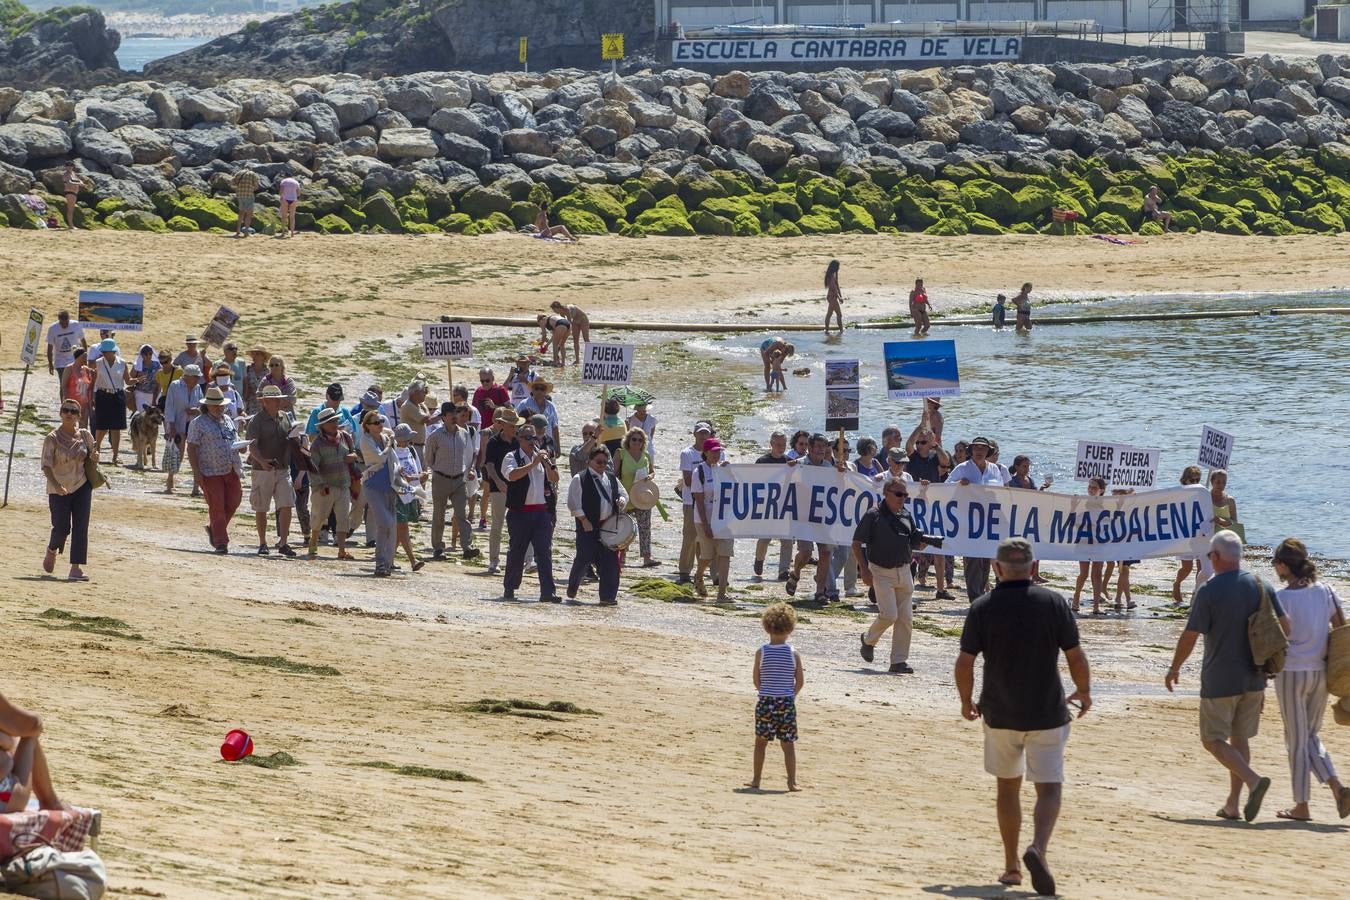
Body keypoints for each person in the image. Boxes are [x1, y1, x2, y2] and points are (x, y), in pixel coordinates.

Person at [956, 538, 1091, 896]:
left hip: (999, 711)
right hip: (1046, 710)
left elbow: (965, 661)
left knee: (1007, 786)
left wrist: (965, 700)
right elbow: (1075, 655)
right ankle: (1039, 849)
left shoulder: (983, 607)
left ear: (997, 568)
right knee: (1049, 787)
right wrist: (1085, 690)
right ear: (1033, 567)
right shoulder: (1053, 603)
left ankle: (1012, 866)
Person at [1165, 530, 1286, 823]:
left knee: (1213, 740)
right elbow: (1285, 627)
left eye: (1210, 555)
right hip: (1255, 675)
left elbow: (1190, 635)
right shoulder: (1260, 584)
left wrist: (1175, 667)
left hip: (1221, 677)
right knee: (1239, 737)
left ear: (1216, 557)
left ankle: (1254, 780)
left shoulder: (1208, 590)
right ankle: (1232, 804)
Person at [1270, 538, 1350, 821]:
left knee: (1296, 740)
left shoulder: (1282, 598)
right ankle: (1337, 788)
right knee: (1310, 737)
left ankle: (1302, 805)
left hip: (1292, 673)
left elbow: (1276, 638)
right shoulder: (1326, 591)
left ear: (1283, 565)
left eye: (1276, 564)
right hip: (1320, 673)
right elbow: (1342, 629)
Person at [855, 474, 927, 674]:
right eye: (898, 494)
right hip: (880, 571)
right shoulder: (873, 515)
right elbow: (856, 543)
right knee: (889, 615)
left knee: (905, 620)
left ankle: (898, 661)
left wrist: (921, 543)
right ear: (886, 493)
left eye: (905, 494)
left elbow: (912, 542)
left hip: (903, 570)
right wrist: (864, 570)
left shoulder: (906, 514)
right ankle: (868, 640)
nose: (902, 497)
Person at [746, 602, 804, 792]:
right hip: (785, 703)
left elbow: (756, 680)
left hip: (766, 701)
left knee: (760, 743)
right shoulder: (793, 653)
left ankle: (756, 780)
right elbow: (800, 681)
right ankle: (792, 782)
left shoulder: (761, 652)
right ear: (790, 628)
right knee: (788, 744)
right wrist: (790, 695)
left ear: (766, 626)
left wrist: (766, 692)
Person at [502, 422, 561, 602]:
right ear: (519, 439)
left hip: (541, 512)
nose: (531, 441)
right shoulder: (512, 456)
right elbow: (511, 476)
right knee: (517, 551)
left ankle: (548, 592)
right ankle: (510, 588)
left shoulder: (540, 457)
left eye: (534, 437)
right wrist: (533, 464)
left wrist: (548, 462)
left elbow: (555, 478)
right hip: (519, 512)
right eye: (528, 437)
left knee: (544, 552)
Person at [786, 434, 847, 603]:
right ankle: (795, 573)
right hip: (803, 516)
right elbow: (786, 483)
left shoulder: (829, 466)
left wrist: (841, 475)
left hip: (823, 516)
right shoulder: (799, 464)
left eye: (824, 446)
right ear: (811, 448)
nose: (822, 449)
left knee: (826, 552)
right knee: (805, 553)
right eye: (818, 446)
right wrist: (789, 469)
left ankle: (820, 591)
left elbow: (839, 488)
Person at [41, 399, 95, 581]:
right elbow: (46, 466)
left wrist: (95, 457)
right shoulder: (52, 438)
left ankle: (76, 568)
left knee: (81, 527)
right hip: (58, 488)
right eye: (66, 410)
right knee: (62, 527)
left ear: (79, 415)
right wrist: (57, 485)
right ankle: (52, 549)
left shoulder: (86, 435)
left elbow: (92, 459)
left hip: (82, 485)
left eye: (73, 411)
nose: (69, 414)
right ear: (60, 413)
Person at [566, 445, 627, 605]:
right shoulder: (580, 478)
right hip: (588, 525)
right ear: (589, 461)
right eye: (599, 461)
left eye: (605, 462)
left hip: (607, 527)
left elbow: (622, 493)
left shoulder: (611, 478)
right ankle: (573, 587)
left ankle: (608, 597)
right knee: (584, 558)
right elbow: (573, 503)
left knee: (610, 563)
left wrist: (622, 500)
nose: (602, 465)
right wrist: (583, 520)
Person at [187, 387, 244, 553]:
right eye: (215, 405)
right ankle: (221, 541)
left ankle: (214, 528)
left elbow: (235, 439)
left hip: (230, 467)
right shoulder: (198, 423)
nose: (219, 408)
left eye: (221, 405)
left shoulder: (227, 419)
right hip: (209, 471)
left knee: (234, 500)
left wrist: (242, 447)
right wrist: (196, 472)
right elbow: (191, 447)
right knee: (217, 505)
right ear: (207, 406)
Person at [947, 436, 1004, 601]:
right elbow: (945, 487)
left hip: (988, 521)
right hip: (968, 520)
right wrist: (958, 483)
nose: (979, 451)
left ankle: (981, 593)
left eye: (983, 449)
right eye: (976, 448)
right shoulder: (962, 468)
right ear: (971, 450)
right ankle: (975, 597)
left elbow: (1000, 492)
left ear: (988, 451)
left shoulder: (994, 469)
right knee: (972, 558)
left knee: (986, 558)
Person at [246, 385, 297, 557]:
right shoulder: (256, 421)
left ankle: (283, 542)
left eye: (278, 399)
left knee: (286, 504)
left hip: (283, 468)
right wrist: (261, 461)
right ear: (265, 402)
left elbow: (290, 438)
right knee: (261, 507)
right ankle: (262, 542)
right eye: (274, 400)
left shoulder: (285, 417)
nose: (278, 402)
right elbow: (252, 446)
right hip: (262, 470)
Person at [426, 401, 480, 561]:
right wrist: (437, 469)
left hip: (459, 480)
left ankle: (467, 547)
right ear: (443, 417)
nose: (454, 417)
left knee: (461, 515)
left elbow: (469, 454)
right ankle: (438, 547)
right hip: (441, 478)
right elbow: (429, 458)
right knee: (439, 515)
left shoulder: (464, 433)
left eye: (455, 414)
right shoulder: (435, 436)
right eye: (451, 414)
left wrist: (469, 469)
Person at [0, 690, 65, 814]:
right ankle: (50, 802)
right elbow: (32, 725)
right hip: (4, 798)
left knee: (12, 737)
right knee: (28, 736)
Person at [307, 408, 357, 560]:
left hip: (343, 484)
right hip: (325, 487)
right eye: (331, 422)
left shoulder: (346, 437)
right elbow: (313, 467)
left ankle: (342, 550)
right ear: (323, 425)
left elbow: (355, 452)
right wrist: (320, 485)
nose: (335, 423)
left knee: (343, 518)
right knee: (319, 517)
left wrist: (352, 457)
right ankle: (313, 540)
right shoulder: (317, 444)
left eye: (335, 420)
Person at [357, 409, 399, 576]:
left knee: (387, 526)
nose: (380, 424)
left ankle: (384, 563)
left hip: (389, 485)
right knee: (385, 522)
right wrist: (390, 444)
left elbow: (392, 460)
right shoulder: (365, 441)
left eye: (381, 421)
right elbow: (380, 458)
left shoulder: (383, 437)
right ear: (367, 426)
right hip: (373, 485)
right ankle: (381, 562)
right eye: (376, 422)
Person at [692, 437, 734, 602]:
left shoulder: (725, 468)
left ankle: (722, 593)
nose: (717, 454)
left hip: (724, 519)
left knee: (725, 554)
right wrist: (706, 525)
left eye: (719, 452)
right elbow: (699, 501)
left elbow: (738, 488)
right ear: (706, 453)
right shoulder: (699, 472)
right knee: (708, 555)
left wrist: (729, 471)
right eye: (714, 452)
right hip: (705, 519)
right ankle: (699, 575)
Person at [481, 408, 520, 575]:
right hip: (498, 488)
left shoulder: (518, 442)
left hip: (516, 488)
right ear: (503, 425)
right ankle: (494, 561)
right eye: (512, 426)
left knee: (518, 526)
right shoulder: (493, 442)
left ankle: (518, 560)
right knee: (497, 525)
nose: (514, 429)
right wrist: (497, 481)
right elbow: (489, 464)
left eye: (515, 426)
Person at [678, 422, 715, 585]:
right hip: (690, 501)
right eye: (700, 433)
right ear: (694, 434)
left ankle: (707, 572)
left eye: (706, 433)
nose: (703, 436)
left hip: (713, 503)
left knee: (710, 537)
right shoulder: (687, 453)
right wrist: (703, 474)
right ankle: (685, 571)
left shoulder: (717, 453)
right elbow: (687, 480)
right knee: (690, 537)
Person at [753, 431, 793, 582]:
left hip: (785, 505)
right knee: (764, 539)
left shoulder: (789, 462)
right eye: (777, 444)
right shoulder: (762, 461)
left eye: (783, 444)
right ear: (771, 444)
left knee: (787, 540)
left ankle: (784, 570)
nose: (780, 447)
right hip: (767, 506)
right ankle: (759, 559)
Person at [616, 427, 657, 568]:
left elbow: (652, 471)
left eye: (640, 440)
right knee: (624, 528)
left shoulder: (646, 455)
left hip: (642, 496)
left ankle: (647, 557)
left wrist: (649, 477)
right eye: (634, 439)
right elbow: (614, 475)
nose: (637, 442)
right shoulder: (621, 454)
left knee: (645, 527)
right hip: (625, 496)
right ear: (628, 440)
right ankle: (621, 557)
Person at [163, 364, 203, 495]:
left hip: (193, 424)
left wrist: (196, 410)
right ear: (188, 376)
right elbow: (169, 406)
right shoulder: (175, 386)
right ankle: (170, 481)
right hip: (178, 424)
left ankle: (196, 487)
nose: (198, 379)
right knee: (176, 454)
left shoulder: (197, 388)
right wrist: (171, 425)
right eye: (196, 377)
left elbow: (202, 406)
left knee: (196, 456)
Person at [392, 424, 427, 572]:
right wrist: (415, 477)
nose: (409, 441)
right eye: (407, 438)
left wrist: (421, 477)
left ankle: (389, 558)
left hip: (410, 493)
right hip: (398, 493)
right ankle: (413, 560)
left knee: (401, 528)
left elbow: (418, 471)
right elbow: (396, 475)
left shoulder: (411, 450)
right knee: (402, 527)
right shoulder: (392, 453)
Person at [1071, 477, 1109, 615]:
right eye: (1089, 487)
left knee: (1097, 574)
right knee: (1083, 574)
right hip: (1084, 543)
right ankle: (1076, 599)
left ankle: (1096, 606)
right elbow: (1073, 523)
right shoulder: (1084, 504)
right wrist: (1073, 506)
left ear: (1101, 490)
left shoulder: (1105, 506)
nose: (1091, 490)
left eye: (1094, 488)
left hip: (1099, 544)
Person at [90, 337, 129, 465]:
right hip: (103, 394)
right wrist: (92, 397)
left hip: (117, 395)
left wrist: (136, 381)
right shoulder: (98, 362)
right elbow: (93, 382)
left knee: (116, 428)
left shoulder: (122, 363)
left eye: (107, 351)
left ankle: (115, 455)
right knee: (101, 426)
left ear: (113, 351)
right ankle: (97, 450)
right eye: (104, 352)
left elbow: (128, 380)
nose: (105, 354)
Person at [1172, 465, 1205, 603]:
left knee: (1201, 566)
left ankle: (1197, 593)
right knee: (1187, 567)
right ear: (1185, 480)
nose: (1196, 482)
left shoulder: (1202, 492)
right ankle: (1177, 584)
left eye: (1198, 479)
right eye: (1193, 480)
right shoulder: (1179, 494)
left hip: (1200, 533)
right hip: (1185, 534)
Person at [46, 309, 86, 397]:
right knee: (63, 385)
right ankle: (63, 405)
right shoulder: (53, 328)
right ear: (58, 320)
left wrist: (84, 357)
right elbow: (49, 347)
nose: (64, 325)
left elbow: (83, 341)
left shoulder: (76, 325)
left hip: (75, 360)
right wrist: (50, 363)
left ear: (69, 319)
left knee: (75, 384)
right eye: (62, 323)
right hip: (60, 362)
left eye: (66, 323)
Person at [517, 379, 561, 452]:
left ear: (546, 391)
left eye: (542, 389)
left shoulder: (551, 406)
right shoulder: (524, 404)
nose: (539, 391)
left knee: (549, 462)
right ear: (532, 390)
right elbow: (518, 425)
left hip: (547, 443)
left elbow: (555, 428)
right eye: (536, 388)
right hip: (529, 443)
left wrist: (558, 448)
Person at [61, 349, 94, 431]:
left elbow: (90, 387)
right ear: (78, 357)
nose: (86, 359)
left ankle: (82, 443)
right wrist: (66, 401)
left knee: (84, 427)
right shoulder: (69, 368)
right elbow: (63, 385)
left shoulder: (86, 370)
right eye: (84, 356)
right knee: (70, 426)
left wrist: (91, 402)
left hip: (84, 404)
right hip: (72, 404)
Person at [1208, 469, 1241, 542]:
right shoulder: (1205, 498)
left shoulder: (1230, 500)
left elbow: (1235, 523)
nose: (1221, 485)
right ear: (1212, 482)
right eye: (1218, 482)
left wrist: (1221, 521)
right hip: (1208, 540)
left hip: (1226, 540)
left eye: (1224, 482)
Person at [128, 344, 160, 416]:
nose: (149, 356)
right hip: (141, 394)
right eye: (146, 354)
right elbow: (129, 380)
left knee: (153, 417)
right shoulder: (137, 365)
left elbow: (159, 381)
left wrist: (156, 396)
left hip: (154, 394)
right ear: (142, 355)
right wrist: (137, 379)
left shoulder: (157, 365)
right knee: (143, 416)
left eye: (150, 354)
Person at [232, 168, 260, 237]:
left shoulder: (239, 173)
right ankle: (246, 232)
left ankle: (238, 231)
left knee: (241, 212)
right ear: (250, 168)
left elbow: (233, 182)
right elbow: (256, 186)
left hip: (239, 194)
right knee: (249, 213)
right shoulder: (252, 174)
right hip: (249, 194)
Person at [243, 348, 270, 415]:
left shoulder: (268, 372)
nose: (255, 356)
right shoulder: (248, 369)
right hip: (249, 403)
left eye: (258, 354)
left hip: (263, 404)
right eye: (254, 354)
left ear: (264, 357)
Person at [61, 162, 86, 229]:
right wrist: (79, 183)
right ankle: (71, 225)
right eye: (68, 166)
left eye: (71, 166)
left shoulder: (73, 173)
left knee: (72, 209)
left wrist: (80, 182)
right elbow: (70, 182)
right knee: (70, 209)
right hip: (69, 192)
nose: (69, 167)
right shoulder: (65, 174)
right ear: (65, 167)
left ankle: (71, 225)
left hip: (74, 192)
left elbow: (77, 180)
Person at [824, 259, 843, 333]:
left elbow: (837, 285)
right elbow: (834, 288)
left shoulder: (834, 274)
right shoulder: (831, 275)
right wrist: (839, 297)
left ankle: (827, 331)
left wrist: (841, 295)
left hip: (832, 296)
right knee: (839, 314)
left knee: (829, 314)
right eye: (838, 266)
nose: (839, 268)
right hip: (832, 296)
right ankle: (841, 331)